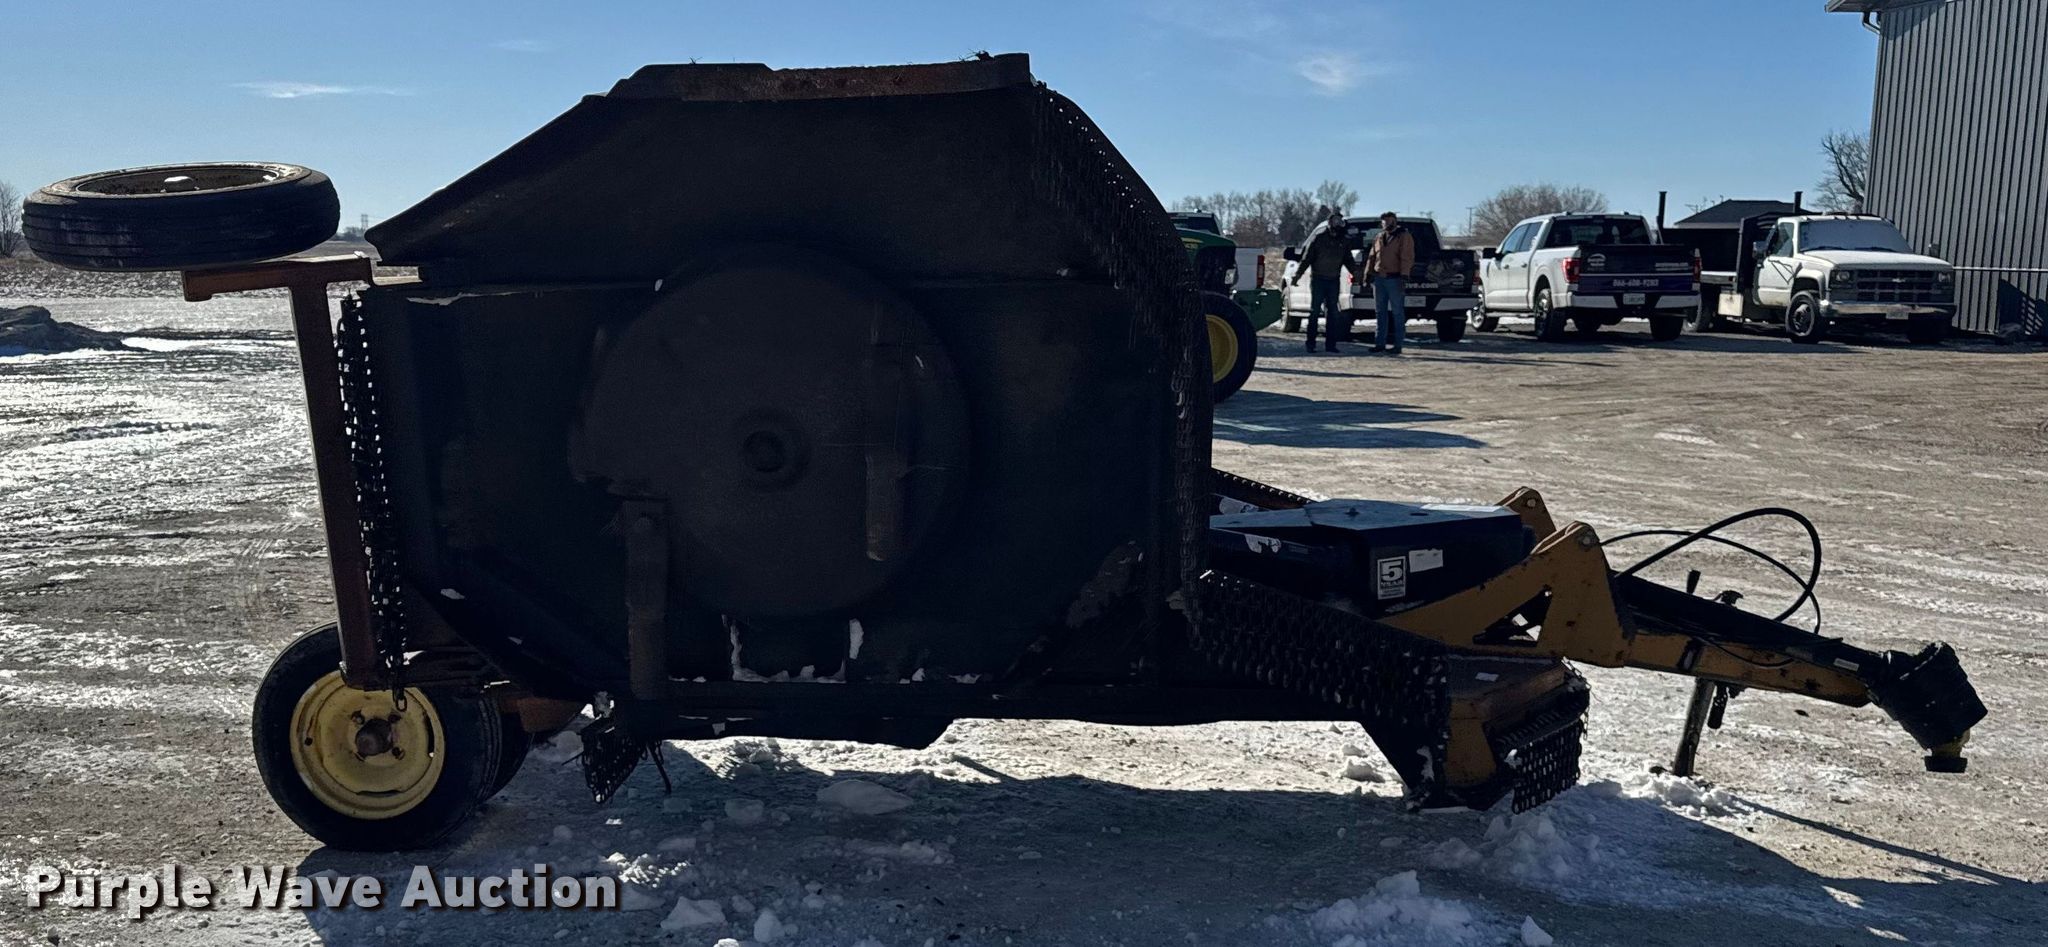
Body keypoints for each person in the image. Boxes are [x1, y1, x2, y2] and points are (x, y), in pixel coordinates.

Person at [1288, 211, 1357, 353]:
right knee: (1314, 313)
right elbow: (1307, 259)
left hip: (1334, 280)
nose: (1337, 224)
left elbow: (1348, 260)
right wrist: (1297, 275)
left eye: (1339, 221)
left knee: (1333, 313)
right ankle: (1311, 344)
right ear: (1329, 222)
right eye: (1335, 221)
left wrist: (1357, 274)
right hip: (1318, 280)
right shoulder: (1319, 239)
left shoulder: (1343, 241)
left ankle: (1331, 345)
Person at [1364, 211, 1416, 354]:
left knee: (1397, 312)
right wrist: (1368, 274)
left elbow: (1407, 257)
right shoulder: (1379, 237)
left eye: (1389, 221)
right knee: (1380, 312)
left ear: (1395, 221)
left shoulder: (1403, 236)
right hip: (1379, 279)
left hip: (1395, 278)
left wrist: (1404, 275)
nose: (1386, 224)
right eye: (1384, 222)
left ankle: (1398, 345)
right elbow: (1372, 257)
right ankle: (1379, 343)